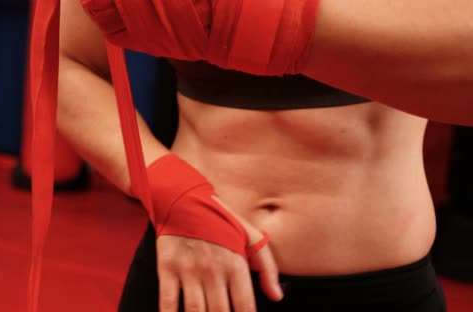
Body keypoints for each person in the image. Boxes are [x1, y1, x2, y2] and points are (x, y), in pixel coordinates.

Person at [48, 0, 473, 311]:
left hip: (376, 283)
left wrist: (261, 24)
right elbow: (67, 63)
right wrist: (167, 190)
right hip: (195, 264)